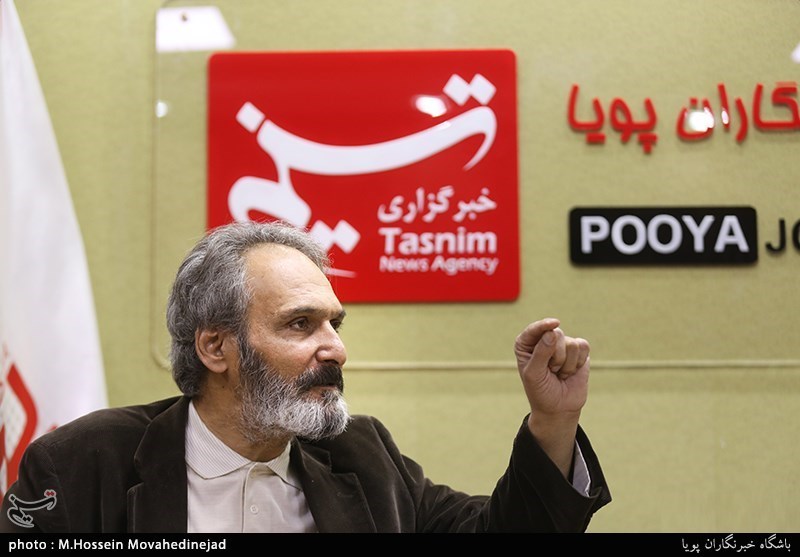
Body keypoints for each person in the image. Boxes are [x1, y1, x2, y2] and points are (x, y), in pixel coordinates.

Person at [1, 220, 611, 533]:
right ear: (215, 347)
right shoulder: (83, 464)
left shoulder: (362, 456)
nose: (336, 349)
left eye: (334, 324)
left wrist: (553, 419)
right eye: (300, 324)